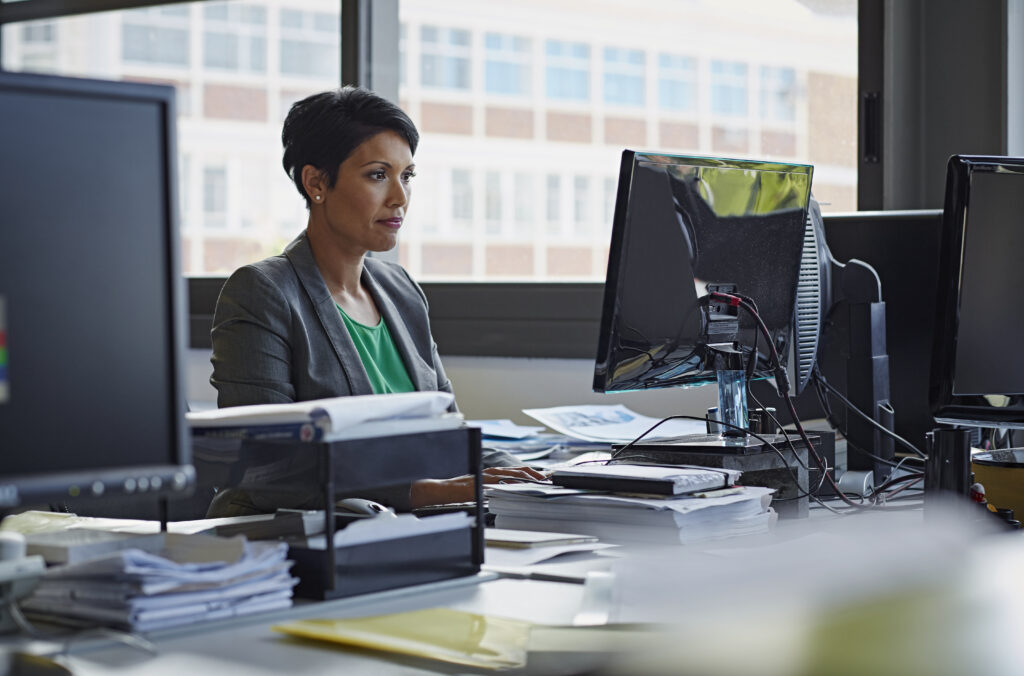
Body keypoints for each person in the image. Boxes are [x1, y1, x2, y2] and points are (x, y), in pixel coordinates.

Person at [208, 87, 542, 515]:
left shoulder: (401, 290)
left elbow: (450, 436)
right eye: (377, 175)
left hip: (410, 527)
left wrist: (533, 481)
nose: (400, 197)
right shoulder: (262, 292)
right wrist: (431, 492)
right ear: (316, 183)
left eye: (407, 176)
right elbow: (271, 469)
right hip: (293, 539)